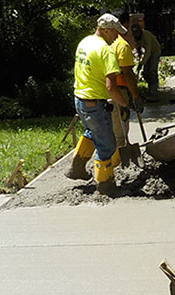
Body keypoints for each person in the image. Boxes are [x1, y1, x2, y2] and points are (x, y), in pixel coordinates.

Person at [65, 13, 129, 195]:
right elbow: (111, 87)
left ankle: (76, 168)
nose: (117, 37)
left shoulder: (84, 42)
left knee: (91, 132)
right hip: (94, 104)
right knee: (107, 145)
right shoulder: (106, 51)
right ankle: (105, 185)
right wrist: (123, 104)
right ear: (106, 30)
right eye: (115, 33)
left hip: (80, 99)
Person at [109, 9, 144, 166]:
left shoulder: (104, 43)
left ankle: (118, 158)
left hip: (104, 90)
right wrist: (135, 97)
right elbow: (128, 74)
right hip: (119, 90)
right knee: (120, 130)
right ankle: (115, 165)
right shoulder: (122, 46)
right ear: (124, 23)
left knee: (114, 128)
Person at [131, 22, 161, 95]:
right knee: (145, 72)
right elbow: (138, 48)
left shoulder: (146, 35)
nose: (136, 35)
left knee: (152, 71)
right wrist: (139, 59)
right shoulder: (135, 37)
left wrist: (142, 63)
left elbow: (148, 51)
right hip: (147, 52)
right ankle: (151, 85)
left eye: (137, 32)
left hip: (155, 51)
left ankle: (154, 89)